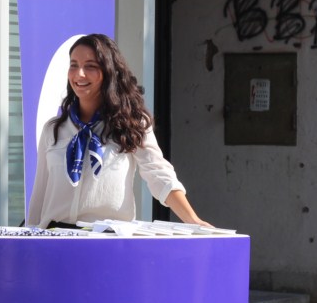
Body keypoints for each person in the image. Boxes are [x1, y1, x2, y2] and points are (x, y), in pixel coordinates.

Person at [26, 33, 209, 229]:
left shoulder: (132, 123)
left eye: (90, 66)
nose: (79, 74)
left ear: (109, 72)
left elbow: (159, 174)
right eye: (74, 65)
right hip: (56, 236)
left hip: (106, 237)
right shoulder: (53, 129)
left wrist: (193, 220)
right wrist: (29, 235)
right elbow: (40, 193)